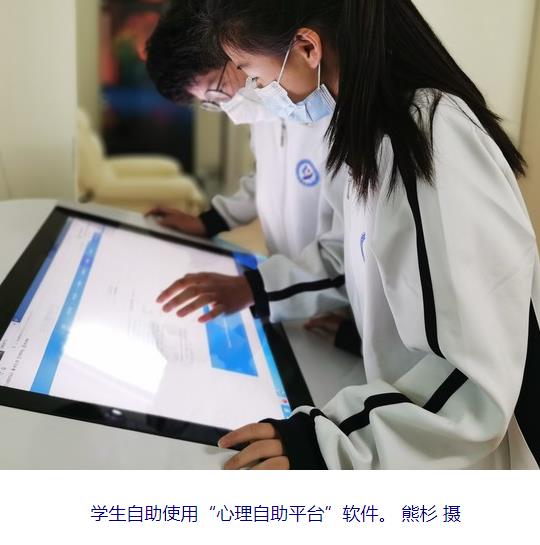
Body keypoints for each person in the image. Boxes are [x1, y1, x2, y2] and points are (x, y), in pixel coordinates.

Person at [168, 0, 539, 470]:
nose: (259, 92)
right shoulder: (369, 135)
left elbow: (473, 383)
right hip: (417, 437)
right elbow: (360, 259)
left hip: (473, 458)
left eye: (254, 74)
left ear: (307, 48)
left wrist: (325, 444)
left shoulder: (425, 136)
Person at [145, 0, 360, 353]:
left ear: (236, 49)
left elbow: (350, 252)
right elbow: (267, 177)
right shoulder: (273, 106)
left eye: (216, 91)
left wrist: (254, 289)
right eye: (210, 102)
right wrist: (211, 221)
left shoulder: (322, 104)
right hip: (298, 292)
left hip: (346, 304)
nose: (227, 107)